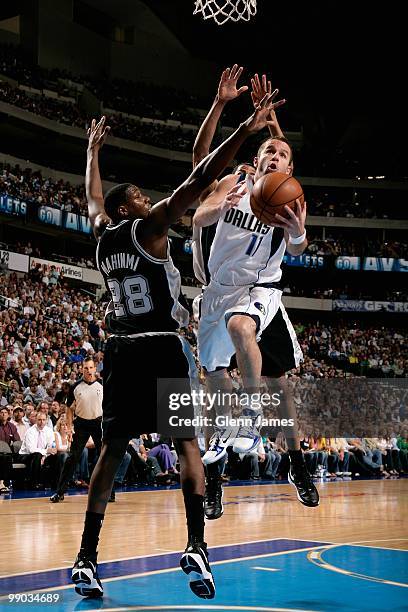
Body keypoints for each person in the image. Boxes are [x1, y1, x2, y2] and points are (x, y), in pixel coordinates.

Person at [70, 102, 276, 600]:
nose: (146, 198)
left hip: (120, 351)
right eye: (139, 196)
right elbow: (201, 176)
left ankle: (85, 557)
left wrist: (92, 152)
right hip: (162, 351)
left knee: (112, 452)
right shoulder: (153, 226)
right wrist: (244, 130)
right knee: (187, 445)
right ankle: (196, 545)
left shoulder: (101, 236)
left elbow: (92, 201)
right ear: (129, 210)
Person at [192, 69, 319, 519]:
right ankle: (215, 481)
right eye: (268, 150)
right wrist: (226, 105)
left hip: (261, 289)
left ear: (289, 169)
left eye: (281, 156)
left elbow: (299, 244)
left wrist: (300, 236)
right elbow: (200, 166)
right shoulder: (236, 183)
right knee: (215, 387)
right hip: (215, 292)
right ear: (258, 155)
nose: (273, 156)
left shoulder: (289, 199)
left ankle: (295, 460)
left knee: (271, 377)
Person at [50, 357, 103, 502]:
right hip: (81, 424)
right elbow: (68, 409)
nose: (89, 370)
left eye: (91, 367)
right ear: (82, 369)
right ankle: (60, 492)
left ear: (95, 368)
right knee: (72, 458)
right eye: (86, 368)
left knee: (104, 458)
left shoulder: (102, 385)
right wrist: (68, 429)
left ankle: (108, 492)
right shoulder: (75, 387)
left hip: (99, 424)